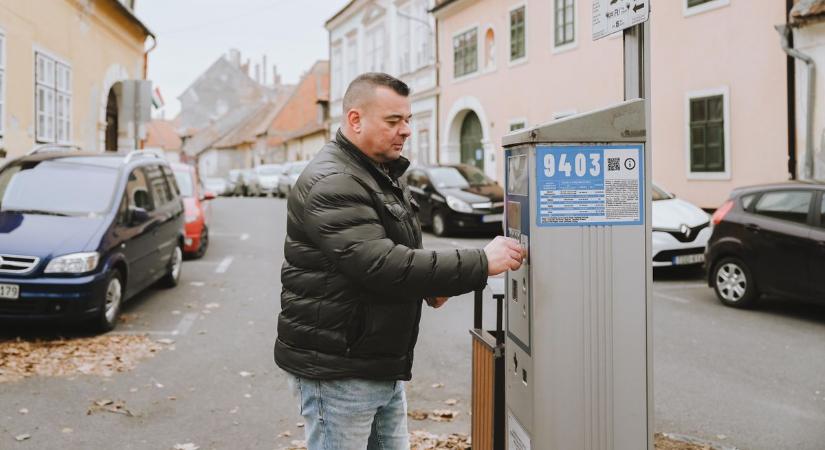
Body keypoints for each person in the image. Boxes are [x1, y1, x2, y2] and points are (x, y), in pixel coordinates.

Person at [274, 72, 525, 450]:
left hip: (374, 361)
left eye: (407, 120)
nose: (405, 130)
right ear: (355, 120)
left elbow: (395, 247)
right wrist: (479, 262)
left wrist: (433, 284)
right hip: (340, 369)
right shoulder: (333, 181)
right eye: (393, 121)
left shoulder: (376, 170)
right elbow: (380, 264)